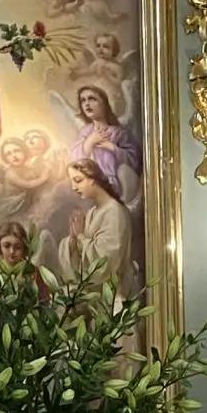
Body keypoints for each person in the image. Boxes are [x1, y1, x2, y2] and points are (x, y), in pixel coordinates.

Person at [59, 157, 135, 288]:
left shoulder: (114, 212)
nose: (73, 187)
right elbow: (83, 263)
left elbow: (106, 261)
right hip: (93, 290)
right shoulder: (92, 212)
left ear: (93, 179)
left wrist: (80, 236)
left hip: (110, 292)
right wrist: (73, 240)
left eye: (78, 180)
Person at [69, 83, 142, 213]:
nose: (87, 104)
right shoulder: (84, 132)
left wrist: (112, 147)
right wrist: (90, 141)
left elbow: (135, 160)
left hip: (113, 186)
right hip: (89, 186)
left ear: (104, 103)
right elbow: (74, 161)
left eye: (92, 99)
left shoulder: (119, 132)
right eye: (83, 100)